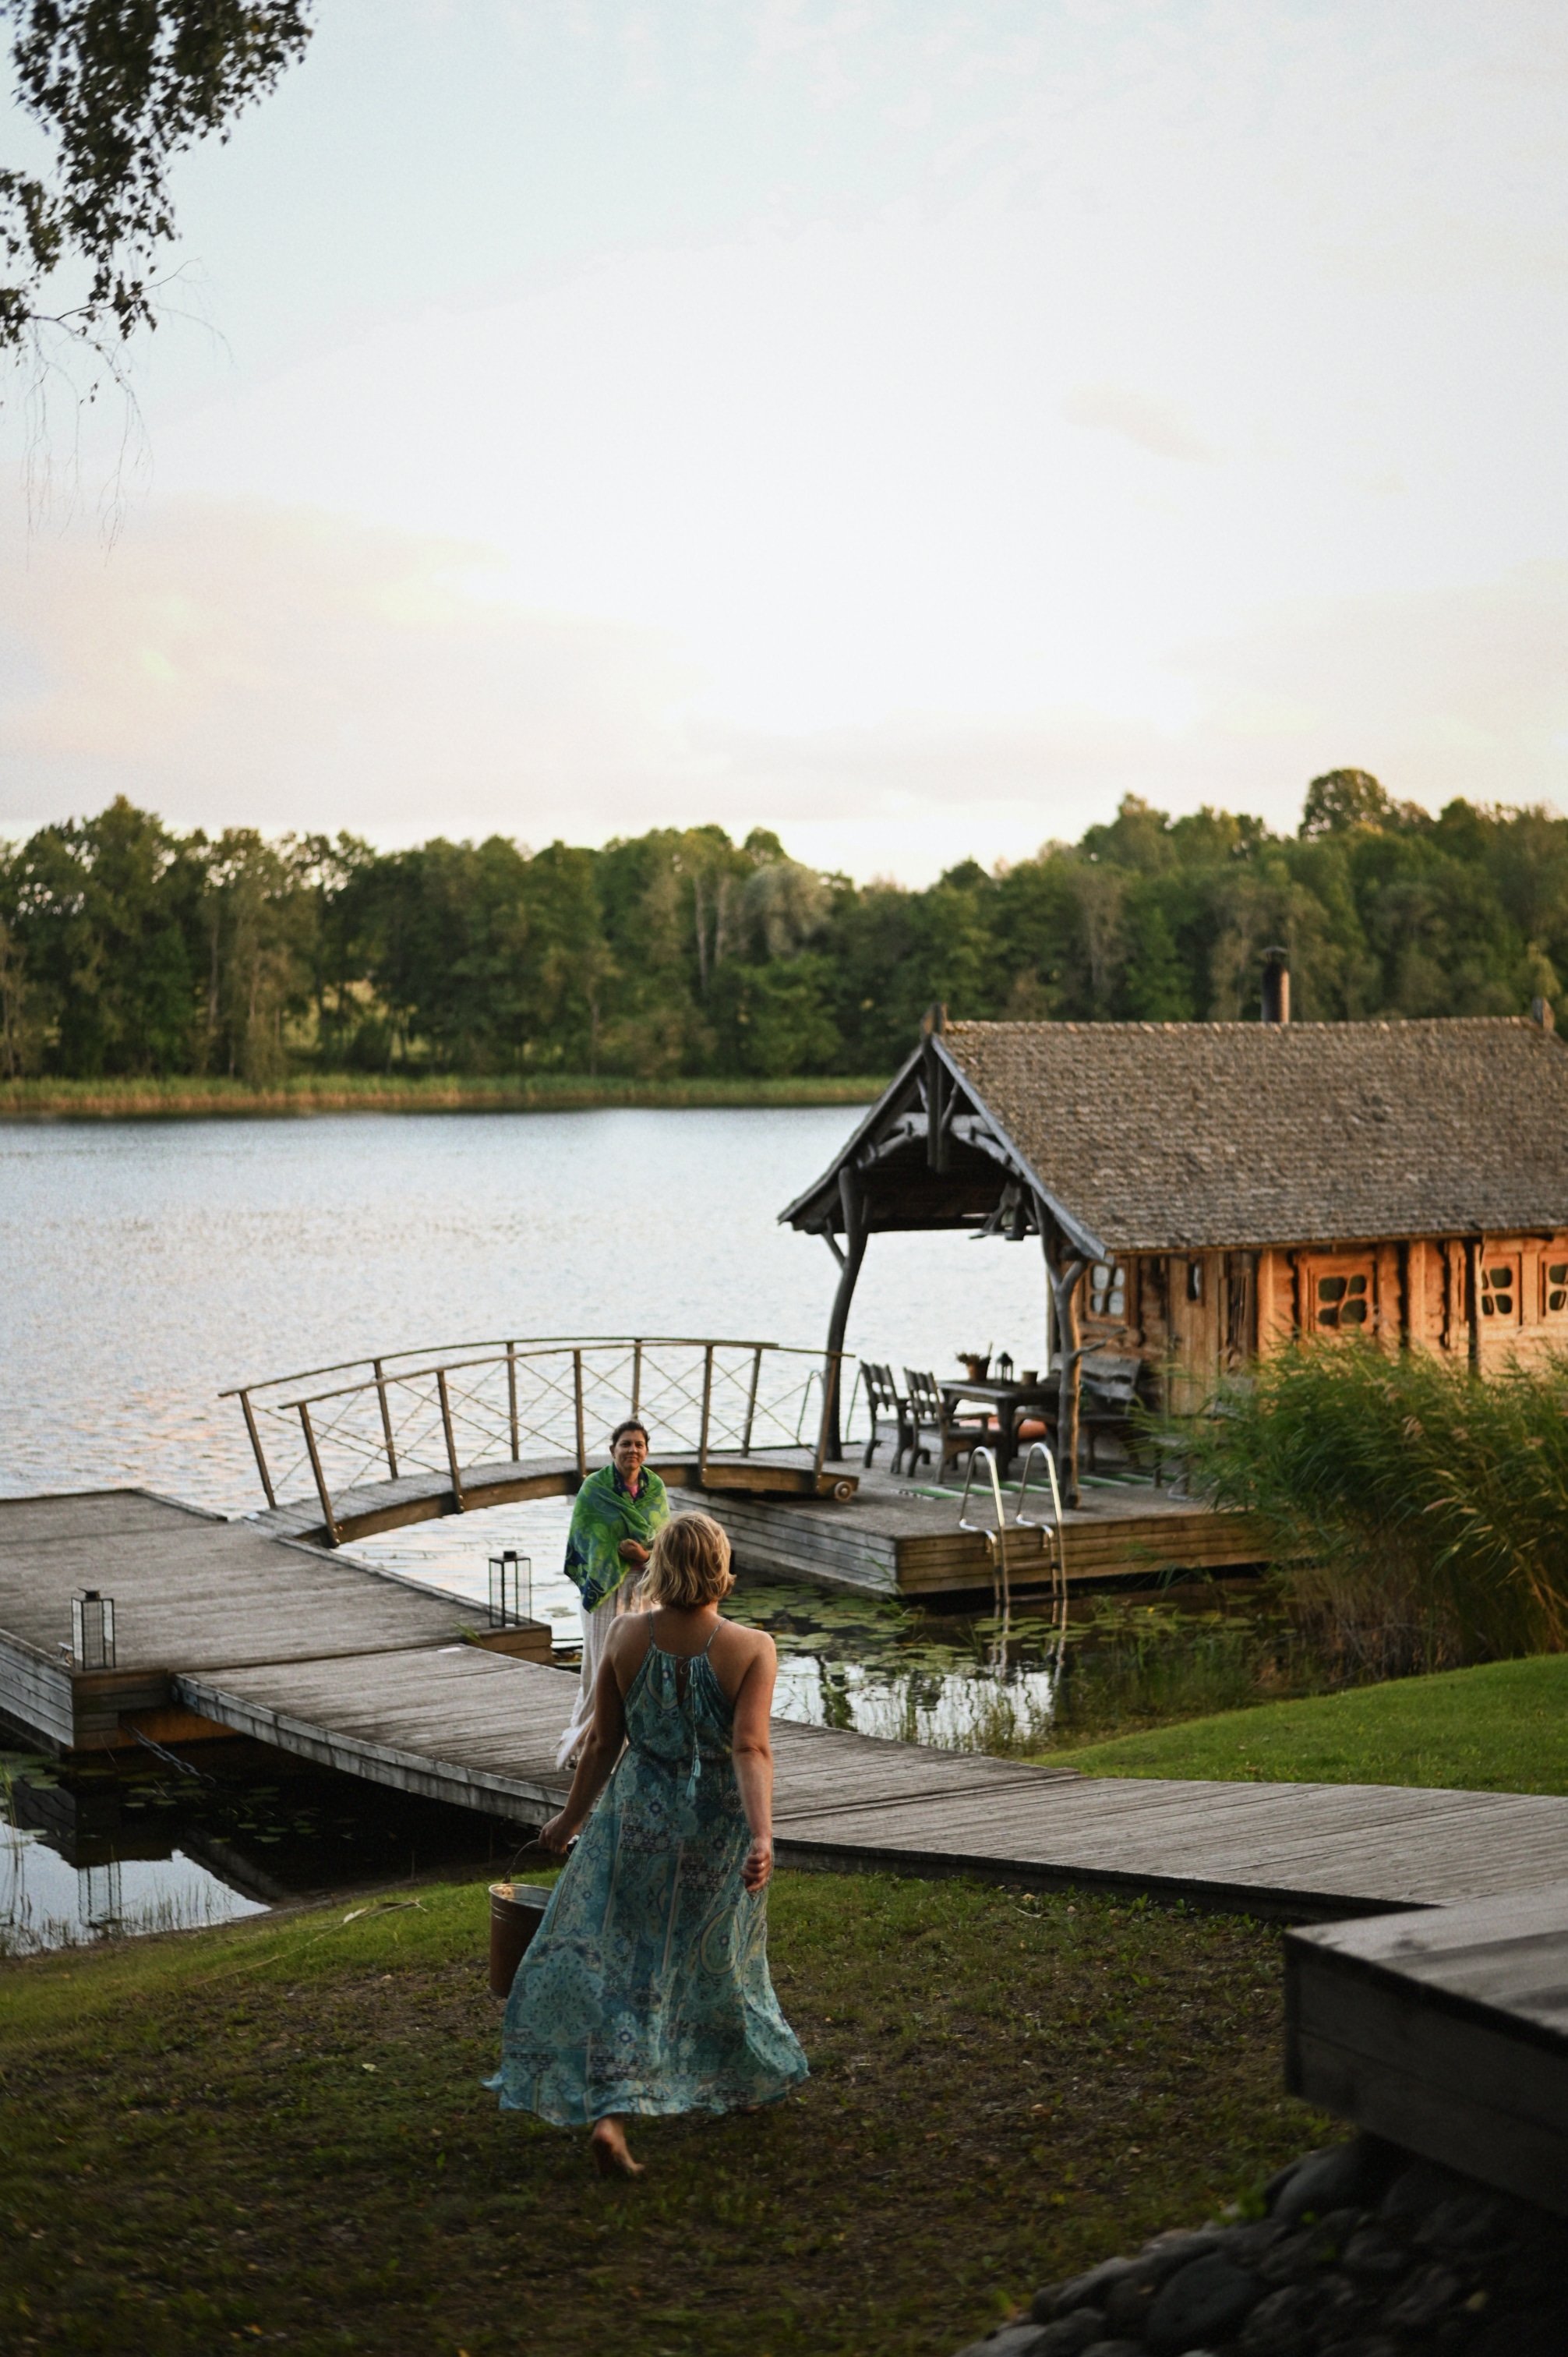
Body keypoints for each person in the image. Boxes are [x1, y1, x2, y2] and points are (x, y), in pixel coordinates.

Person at [486, 1511, 807, 2175]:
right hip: (715, 1825)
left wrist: (570, 1822)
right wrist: (762, 1834)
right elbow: (750, 1747)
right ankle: (736, 2078)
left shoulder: (628, 1637)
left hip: (636, 1818)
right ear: (722, 1569)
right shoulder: (753, 1648)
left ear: (659, 1568)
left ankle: (611, 2116)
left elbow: (603, 1745)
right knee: (717, 1952)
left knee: (625, 1960)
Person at [555, 1418, 669, 1769]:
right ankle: (580, 1745)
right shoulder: (594, 1488)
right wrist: (613, 1561)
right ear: (612, 1450)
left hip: (646, 1589)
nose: (632, 1450)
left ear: (646, 1451)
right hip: (605, 1591)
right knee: (598, 1671)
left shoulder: (656, 1490)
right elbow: (584, 1541)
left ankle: (640, 1748)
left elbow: (666, 1544)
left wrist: (644, 1557)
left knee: (644, 1667)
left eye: (638, 1444)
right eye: (625, 1444)